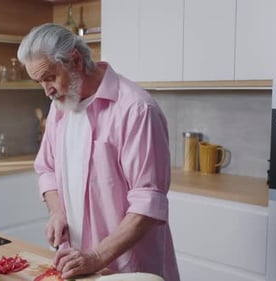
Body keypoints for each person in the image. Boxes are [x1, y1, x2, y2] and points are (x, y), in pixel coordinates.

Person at [17, 23, 180, 281]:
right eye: (39, 82)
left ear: (75, 61)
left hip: (129, 269)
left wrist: (95, 257)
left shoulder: (136, 110)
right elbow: (46, 168)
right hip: (77, 265)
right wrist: (57, 211)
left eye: (49, 77)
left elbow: (147, 205)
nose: (46, 90)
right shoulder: (60, 106)